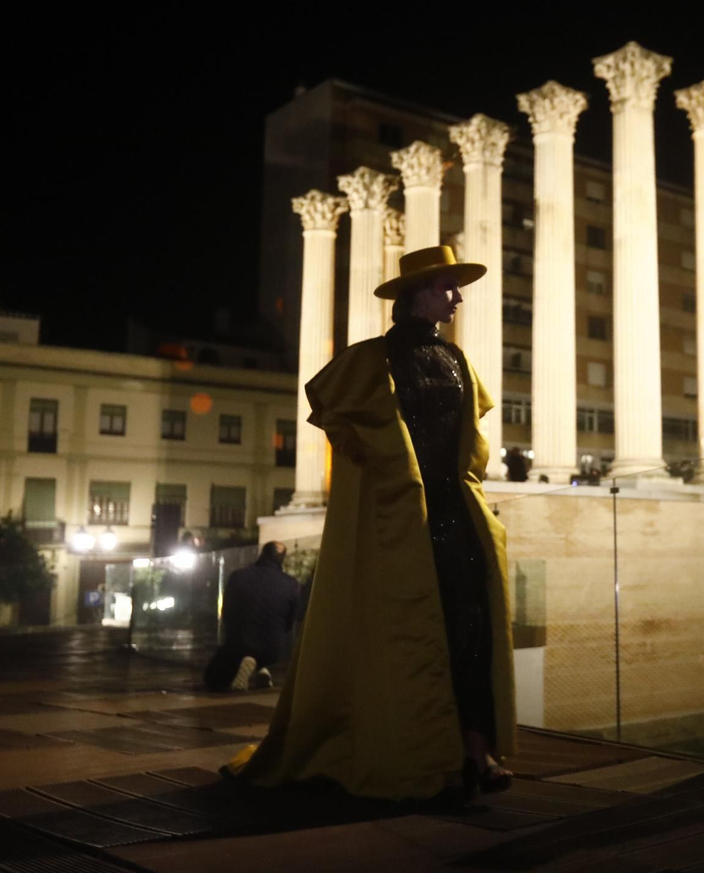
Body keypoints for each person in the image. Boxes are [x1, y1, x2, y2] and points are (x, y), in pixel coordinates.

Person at [228, 245, 516, 802]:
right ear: (417, 294)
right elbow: (352, 440)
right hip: (398, 522)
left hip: (457, 516)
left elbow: (468, 445)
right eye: (447, 287)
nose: (457, 298)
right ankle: (424, 756)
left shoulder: (458, 362)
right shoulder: (368, 362)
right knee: (408, 636)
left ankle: (477, 752)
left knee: (471, 632)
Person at [203, 542, 300, 692]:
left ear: (262, 554)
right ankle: (261, 667)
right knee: (260, 646)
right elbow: (290, 620)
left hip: (240, 643)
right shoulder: (291, 583)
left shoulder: (238, 576)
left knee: (213, 679)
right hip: (273, 647)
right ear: (282, 559)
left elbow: (227, 611)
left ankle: (248, 664)